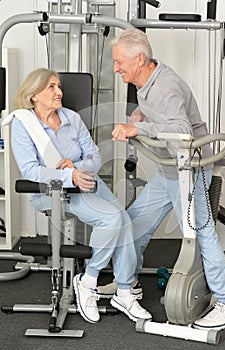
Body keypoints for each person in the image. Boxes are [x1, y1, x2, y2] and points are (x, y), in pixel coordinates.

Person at [97, 28, 225, 331]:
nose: (116, 68)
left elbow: (182, 131)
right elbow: (165, 119)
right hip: (170, 169)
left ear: (140, 58)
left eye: (120, 62)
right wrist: (144, 118)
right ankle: (127, 283)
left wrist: (137, 130)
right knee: (135, 221)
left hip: (190, 169)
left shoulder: (165, 87)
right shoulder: (148, 80)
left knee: (201, 233)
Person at [9, 67, 152, 324]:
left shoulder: (71, 118)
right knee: (111, 219)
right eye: (51, 87)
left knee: (124, 219)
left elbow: (94, 156)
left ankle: (125, 290)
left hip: (85, 179)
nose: (59, 92)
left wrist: (78, 169)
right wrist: (68, 176)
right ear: (33, 95)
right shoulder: (24, 124)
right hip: (52, 190)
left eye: (59, 86)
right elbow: (31, 170)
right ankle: (89, 280)